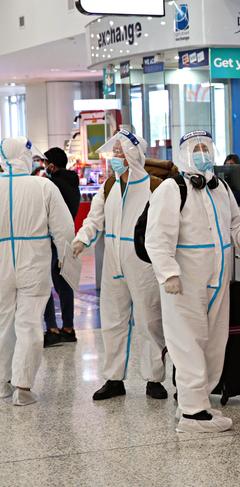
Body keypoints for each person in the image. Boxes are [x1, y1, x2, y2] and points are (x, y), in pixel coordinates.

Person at [145, 130, 240, 433]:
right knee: (187, 343)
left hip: (218, 281)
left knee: (214, 343)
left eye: (206, 147)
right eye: (196, 148)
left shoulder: (221, 187)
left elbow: (235, 227)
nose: (202, 152)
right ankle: (191, 414)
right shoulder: (171, 189)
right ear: (184, 153)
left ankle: (198, 402)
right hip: (184, 282)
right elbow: (157, 238)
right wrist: (168, 273)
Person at [72, 130, 168, 401]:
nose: (114, 157)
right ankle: (114, 379)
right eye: (113, 153)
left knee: (150, 321)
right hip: (113, 262)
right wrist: (82, 239)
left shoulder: (154, 187)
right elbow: (94, 219)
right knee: (112, 321)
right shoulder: (109, 186)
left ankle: (154, 379)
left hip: (143, 262)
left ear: (134, 155)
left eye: (119, 152)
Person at [0, 137, 75, 406]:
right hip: (34, 260)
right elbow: (65, 229)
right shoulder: (43, 186)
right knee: (30, 322)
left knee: (2, 323)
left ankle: (1, 385)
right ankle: (23, 386)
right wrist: (66, 261)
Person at [42, 147, 81, 347]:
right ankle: (68, 327)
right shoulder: (73, 182)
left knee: (44, 281)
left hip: (50, 238)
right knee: (63, 282)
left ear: (52, 164)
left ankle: (52, 328)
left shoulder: (51, 184)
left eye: (44, 162)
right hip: (66, 237)